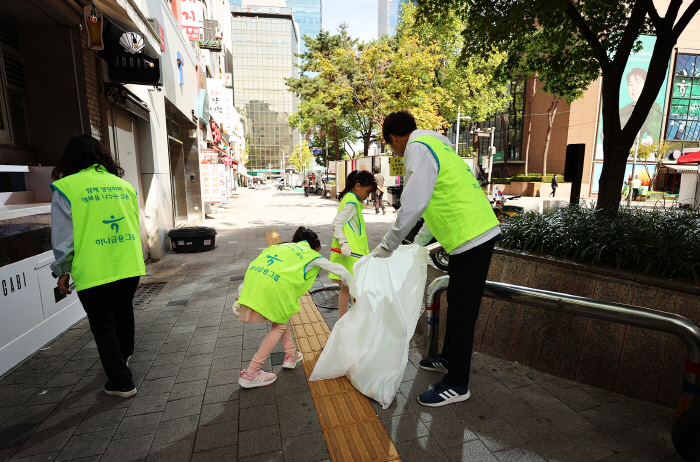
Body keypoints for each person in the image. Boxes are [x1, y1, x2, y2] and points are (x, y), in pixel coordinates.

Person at [374, 111, 501, 407]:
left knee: (463, 312)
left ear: (393, 138)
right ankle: (448, 359)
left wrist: (387, 246)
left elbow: (413, 204)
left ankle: (457, 383)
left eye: (391, 145)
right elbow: (435, 200)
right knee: (456, 302)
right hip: (468, 237)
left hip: (473, 237)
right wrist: (418, 243)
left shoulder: (417, 149)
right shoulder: (437, 143)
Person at [50, 134, 145, 399]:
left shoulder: (66, 187)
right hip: (128, 264)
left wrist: (62, 271)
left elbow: (63, 237)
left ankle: (121, 382)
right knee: (124, 313)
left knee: (103, 325)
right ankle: (122, 359)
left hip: (94, 267)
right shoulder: (122, 185)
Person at [236, 227, 351, 387]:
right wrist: (355, 285)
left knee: (281, 320)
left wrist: (243, 291)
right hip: (276, 291)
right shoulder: (311, 255)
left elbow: (258, 267)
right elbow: (342, 271)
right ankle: (251, 373)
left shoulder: (279, 247)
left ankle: (291, 355)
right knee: (278, 326)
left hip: (254, 284)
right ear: (314, 245)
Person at [329, 170, 377, 318]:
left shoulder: (350, 200)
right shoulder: (351, 203)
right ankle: (356, 320)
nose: (368, 196)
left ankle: (343, 319)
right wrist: (344, 243)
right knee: (356, 289)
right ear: (357, 186)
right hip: (352, 255)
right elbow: (336, 223)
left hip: (349, 254)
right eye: (368, 191)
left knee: (346, 288)